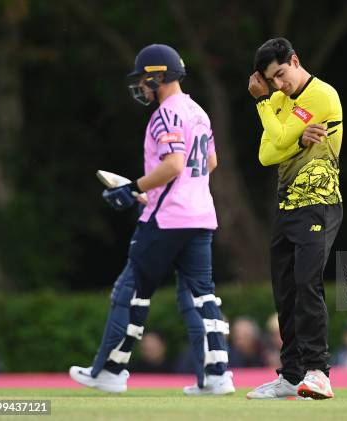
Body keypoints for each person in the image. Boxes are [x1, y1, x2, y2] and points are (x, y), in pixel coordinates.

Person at [69, 44, 234, 396]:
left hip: (168, 220)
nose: (141, 87)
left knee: (129, 292)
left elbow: (174, 164)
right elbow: (210, 162)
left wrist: (134, 188)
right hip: (200, 215)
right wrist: (157, 191)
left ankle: (109, 371)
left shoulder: (166, 114)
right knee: (201, 297)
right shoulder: (198, 111)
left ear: (157, 76)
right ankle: (217, 375)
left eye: (144, 80)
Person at [246, 37, 343, 400]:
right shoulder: (278, 102)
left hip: (319, 201)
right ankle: (290, 375)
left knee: (307, 284)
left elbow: (278, 135)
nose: (279, 85)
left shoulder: (322, 96)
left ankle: (319, 371)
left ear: (295, 60)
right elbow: (266, 155)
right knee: (285, 293)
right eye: (272, 81)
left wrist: (263, 106)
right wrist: (297, 140)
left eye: (282, 75)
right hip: (287, 206)